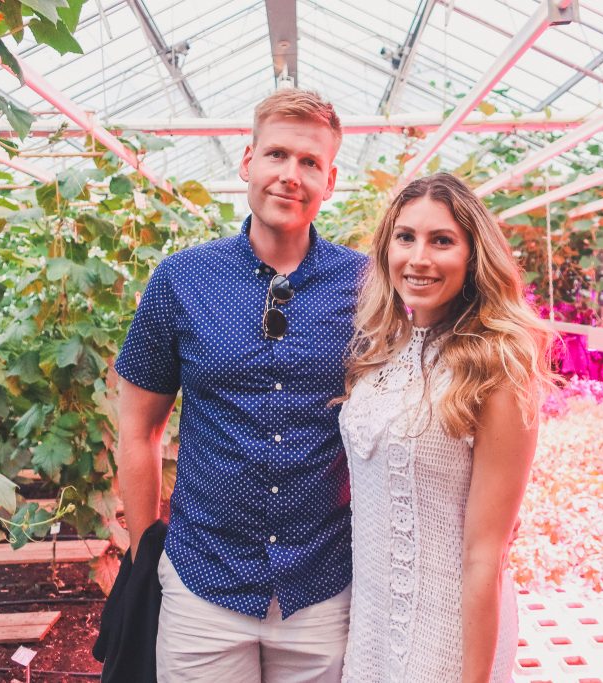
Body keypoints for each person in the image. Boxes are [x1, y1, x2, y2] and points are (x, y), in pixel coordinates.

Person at [114, 89, 366, 682]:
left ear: (329, 182)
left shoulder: (366, 285)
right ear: (247, 162)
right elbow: (138, 426)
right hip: (204, 579)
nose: (290, 175)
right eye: (277, 155)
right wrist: (142, 548)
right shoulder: (181, 279)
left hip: (323, 583)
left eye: (310, 162)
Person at [336, 173, 555, 682]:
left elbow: (486, 554)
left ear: (474, 255)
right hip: (370, 630)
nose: (419, 258)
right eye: (405, 237)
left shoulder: (498, 366)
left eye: (442, 241)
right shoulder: (381, 349)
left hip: (448, 640)